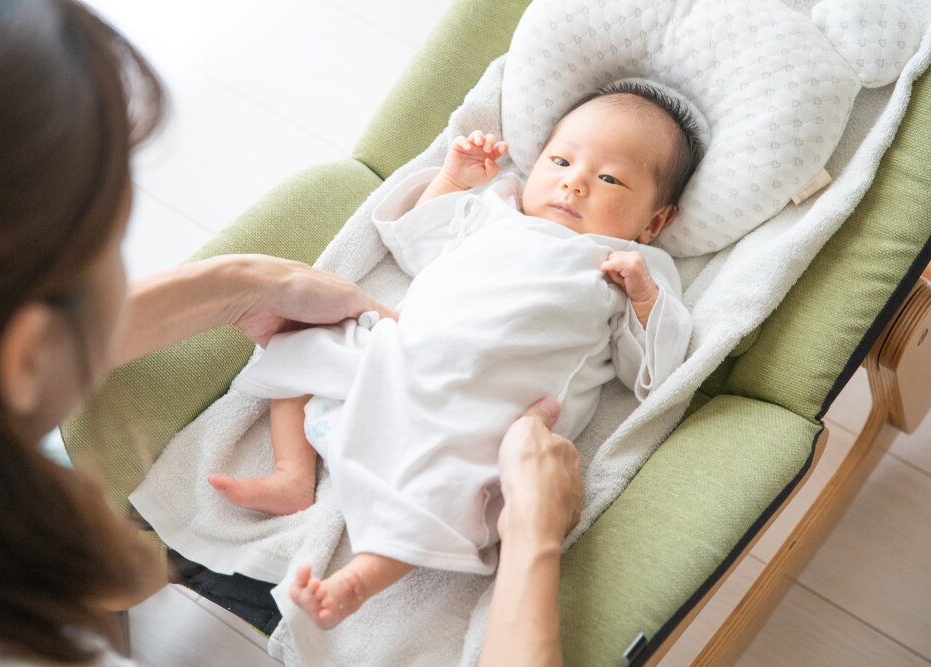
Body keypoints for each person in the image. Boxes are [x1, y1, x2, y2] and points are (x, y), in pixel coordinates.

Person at [0, 0, 583, 664]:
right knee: (305, 369)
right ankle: (293, 473)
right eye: (106, 246)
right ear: (25, 356)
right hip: (408, 377)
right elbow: (424, 228)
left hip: (437, 385)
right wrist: (533, 534)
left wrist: (240, 283)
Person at [208, 83, 703, 629]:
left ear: (653, 222)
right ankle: (292, 475)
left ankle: (359, 578)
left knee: (448, 491)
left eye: (610, 178)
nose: (575, 181)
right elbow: (415, 245)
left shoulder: (627, 264)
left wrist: (643, 299)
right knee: (304, 343)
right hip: (400, 355)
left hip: (484, 408)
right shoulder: (495, 211)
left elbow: (651, 372)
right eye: (560, 160)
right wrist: (451, 180)